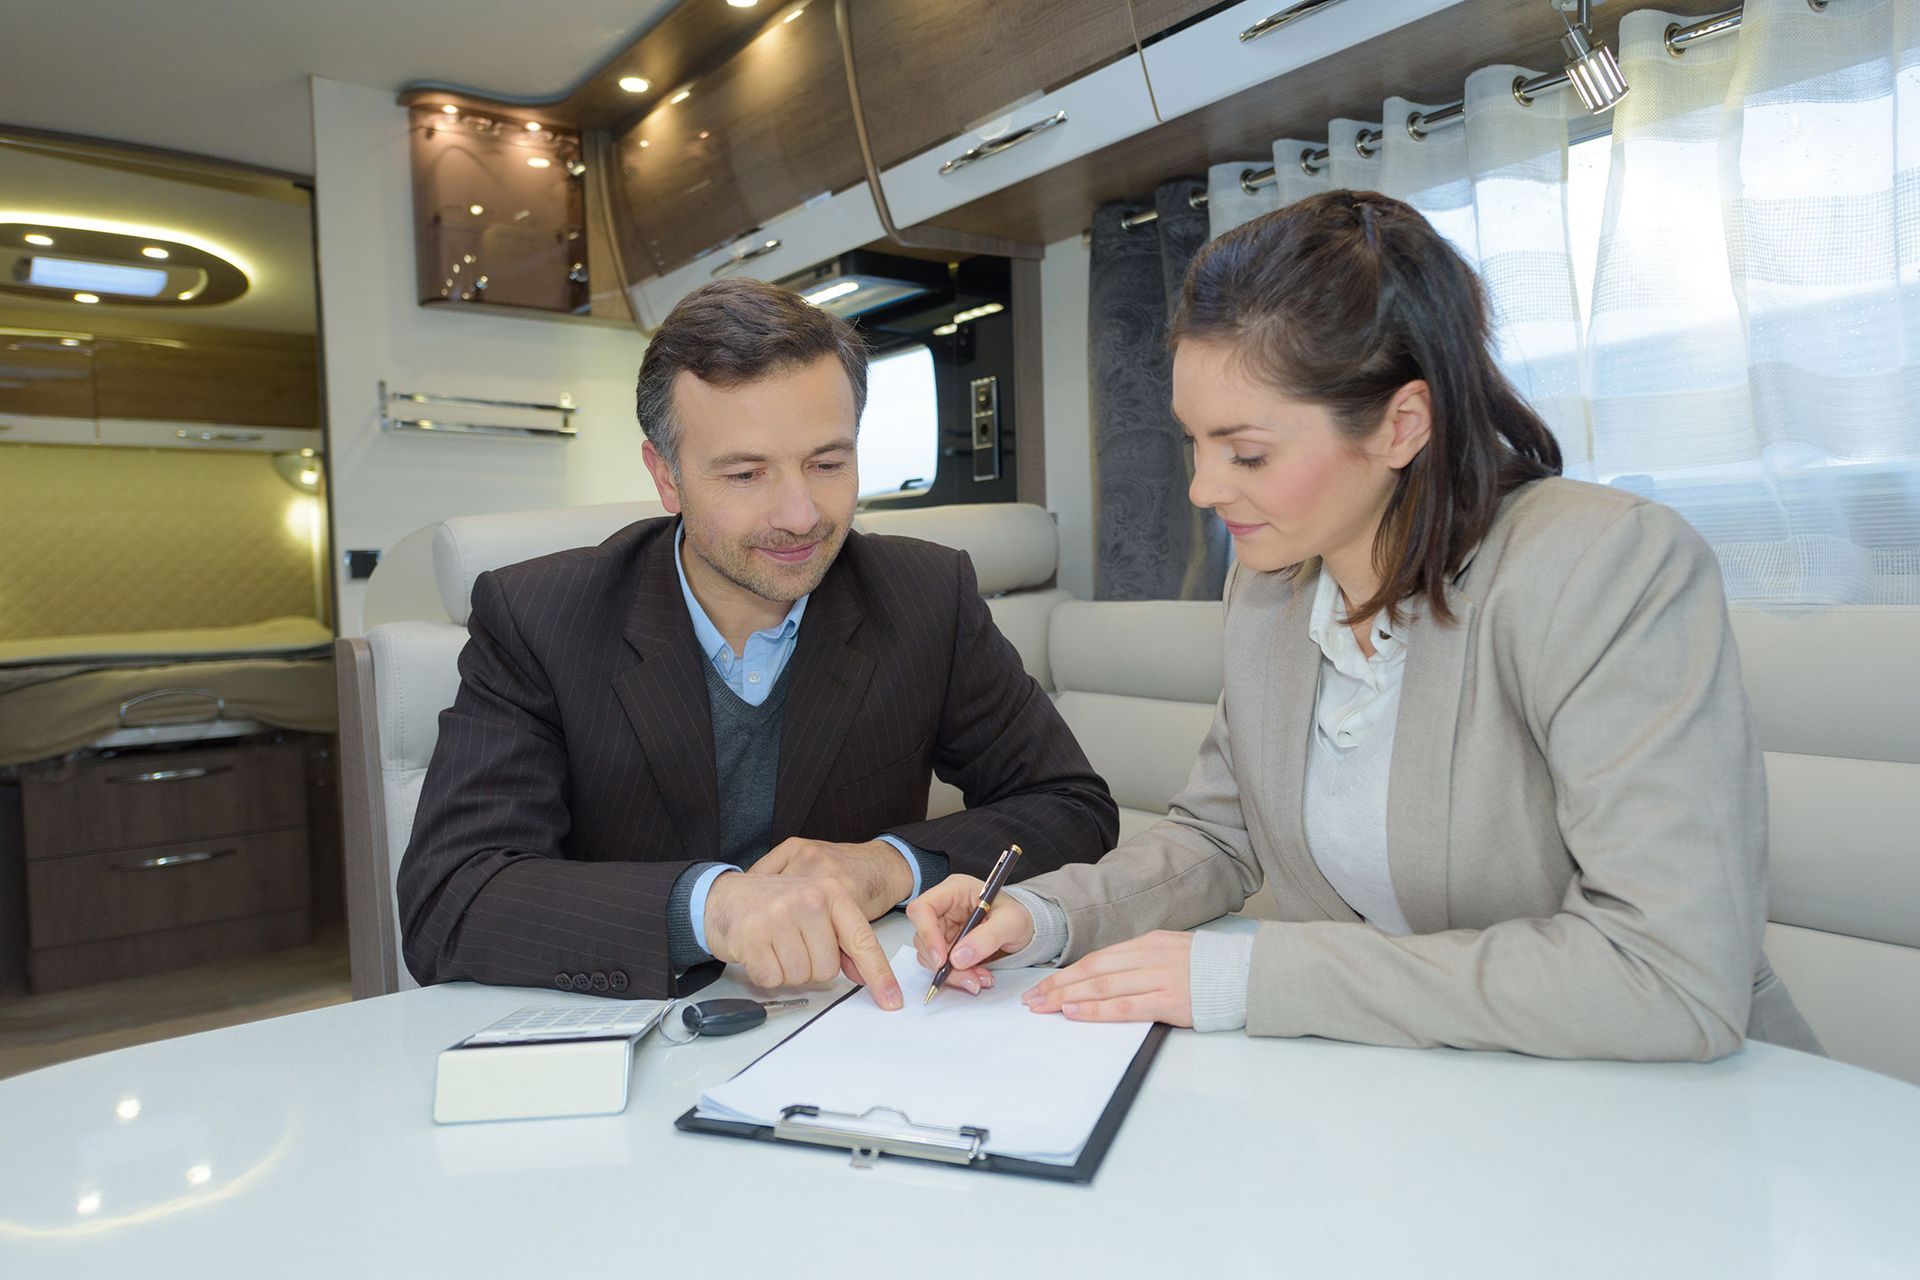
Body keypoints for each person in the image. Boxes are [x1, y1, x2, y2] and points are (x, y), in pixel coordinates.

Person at [909, 191, 1821, 1061]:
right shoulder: (1267, 593)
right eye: (1195, 442)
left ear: (1401, 425)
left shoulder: (1606, 568)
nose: (1202, 488)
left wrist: (1257, 975)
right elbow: (1220, 840)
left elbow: (1665, 971)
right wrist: (1045, 917)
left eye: (1249, 452)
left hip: (1667, 1109)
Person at [400, 279, 1117, 1007]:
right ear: (666, 477)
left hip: (851, 1021)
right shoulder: (540, 618)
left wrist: (890, 865)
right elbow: (449, 899)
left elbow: (1073, 805)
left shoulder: (925, 596)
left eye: (828, 464)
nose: (801, 515)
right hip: (635, 1027)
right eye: (746, 474)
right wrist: (709, 906)